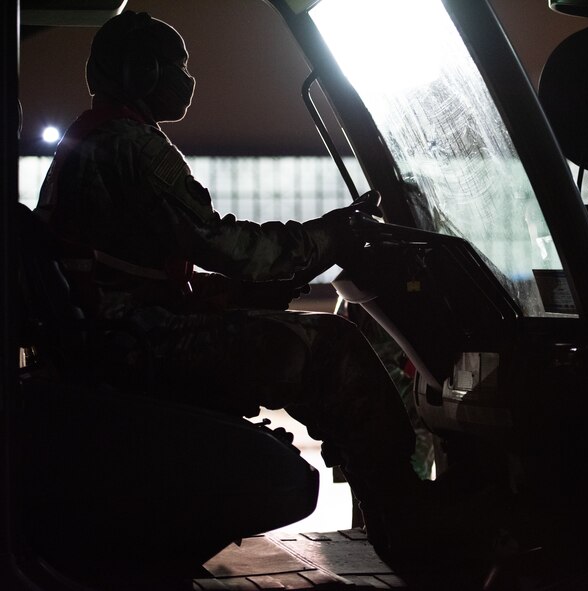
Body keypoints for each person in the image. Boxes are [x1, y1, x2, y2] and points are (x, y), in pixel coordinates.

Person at [34, 9, 436, 567]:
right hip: (138, 344)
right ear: (143, 74)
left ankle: (396, 519)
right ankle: (414, 530)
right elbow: (229, 246)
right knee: (333, 350)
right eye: (176, 67)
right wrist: (334, 235)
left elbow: (133, 270)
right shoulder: (134, 146)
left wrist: (237, 296)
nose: (188, 81)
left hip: (117, 336)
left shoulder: (93, 140)